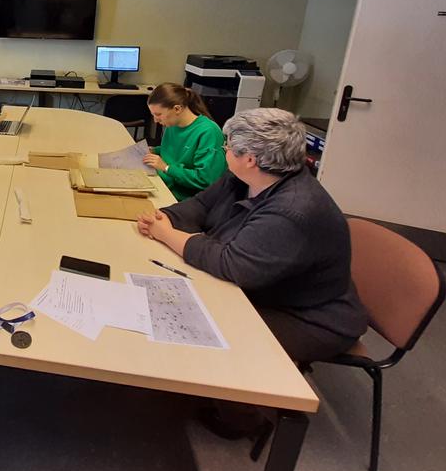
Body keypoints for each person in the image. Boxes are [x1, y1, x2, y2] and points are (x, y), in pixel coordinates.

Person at [137, 108, 367, 436]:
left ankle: (242, 418)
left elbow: (232, 265)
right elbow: (201, 205)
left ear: (251, 159)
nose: (224, 150)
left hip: (312, 316)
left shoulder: (293, 212)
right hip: (272, 289)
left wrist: (167, 235)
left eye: (228, 146)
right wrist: (165, 217)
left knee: (218, 330)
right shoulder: (248, 177)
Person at [142, 83, 226, 201]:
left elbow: (206, 180)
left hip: (187, 198)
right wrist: (155, 150)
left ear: (177, 109)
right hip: (166, 183)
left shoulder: (208, 132)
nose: (156, 121)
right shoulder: (173, 123)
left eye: (158, 115)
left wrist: (166, 168)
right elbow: (175, 149)